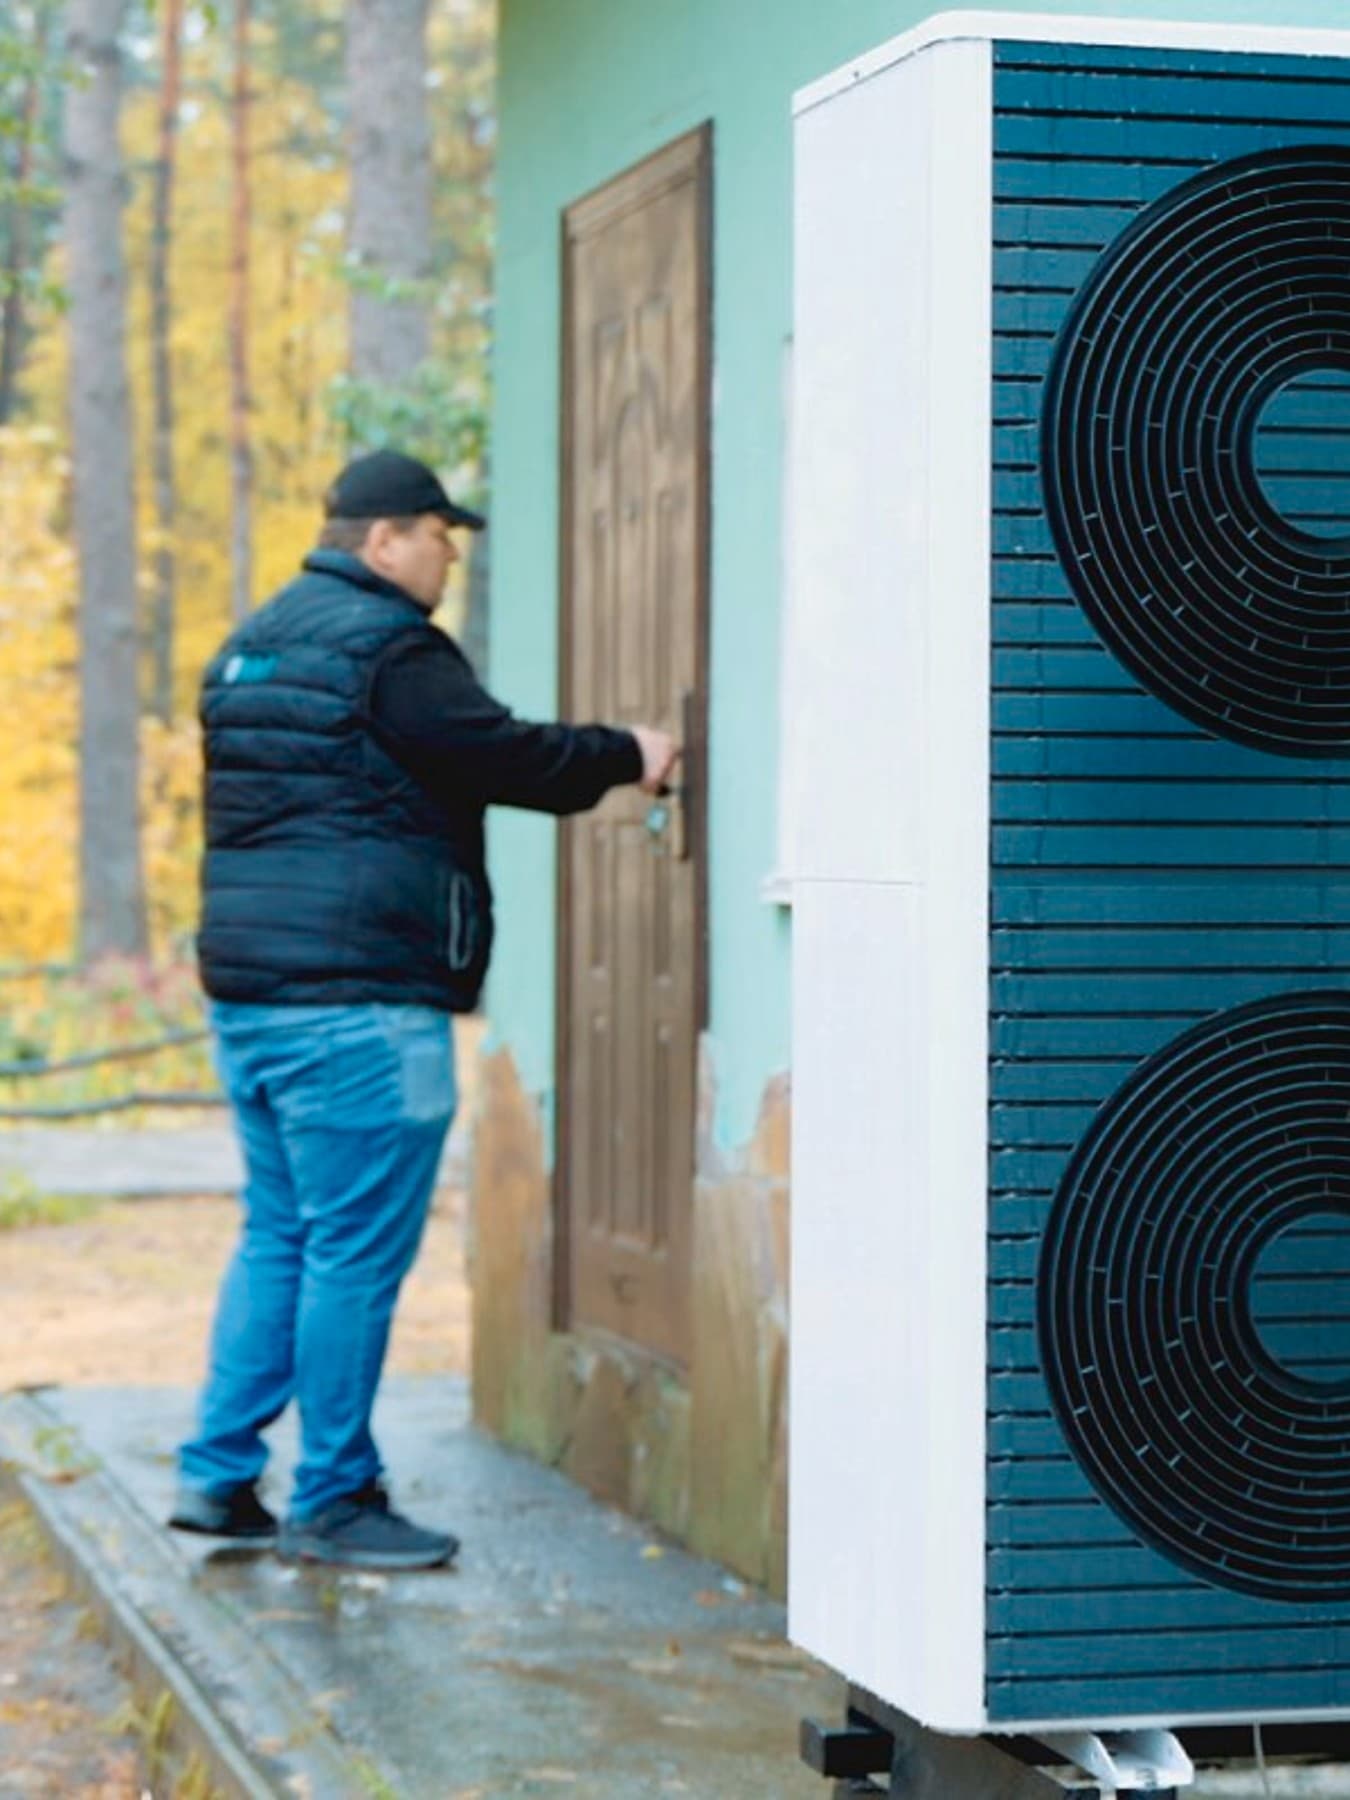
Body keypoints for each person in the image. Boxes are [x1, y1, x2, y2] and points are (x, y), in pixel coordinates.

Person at [169, 448, 679, 1570]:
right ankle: (337, 1496)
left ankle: (216, 1476)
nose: (450, 552)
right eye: (440, 533)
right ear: (385, 538)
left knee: (283, 1236)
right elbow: (505, 755)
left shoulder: (247, 647)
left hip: (255, 1001)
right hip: (361, 1008)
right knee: (350, 1252)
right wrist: (630, 754)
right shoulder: (390, 648)